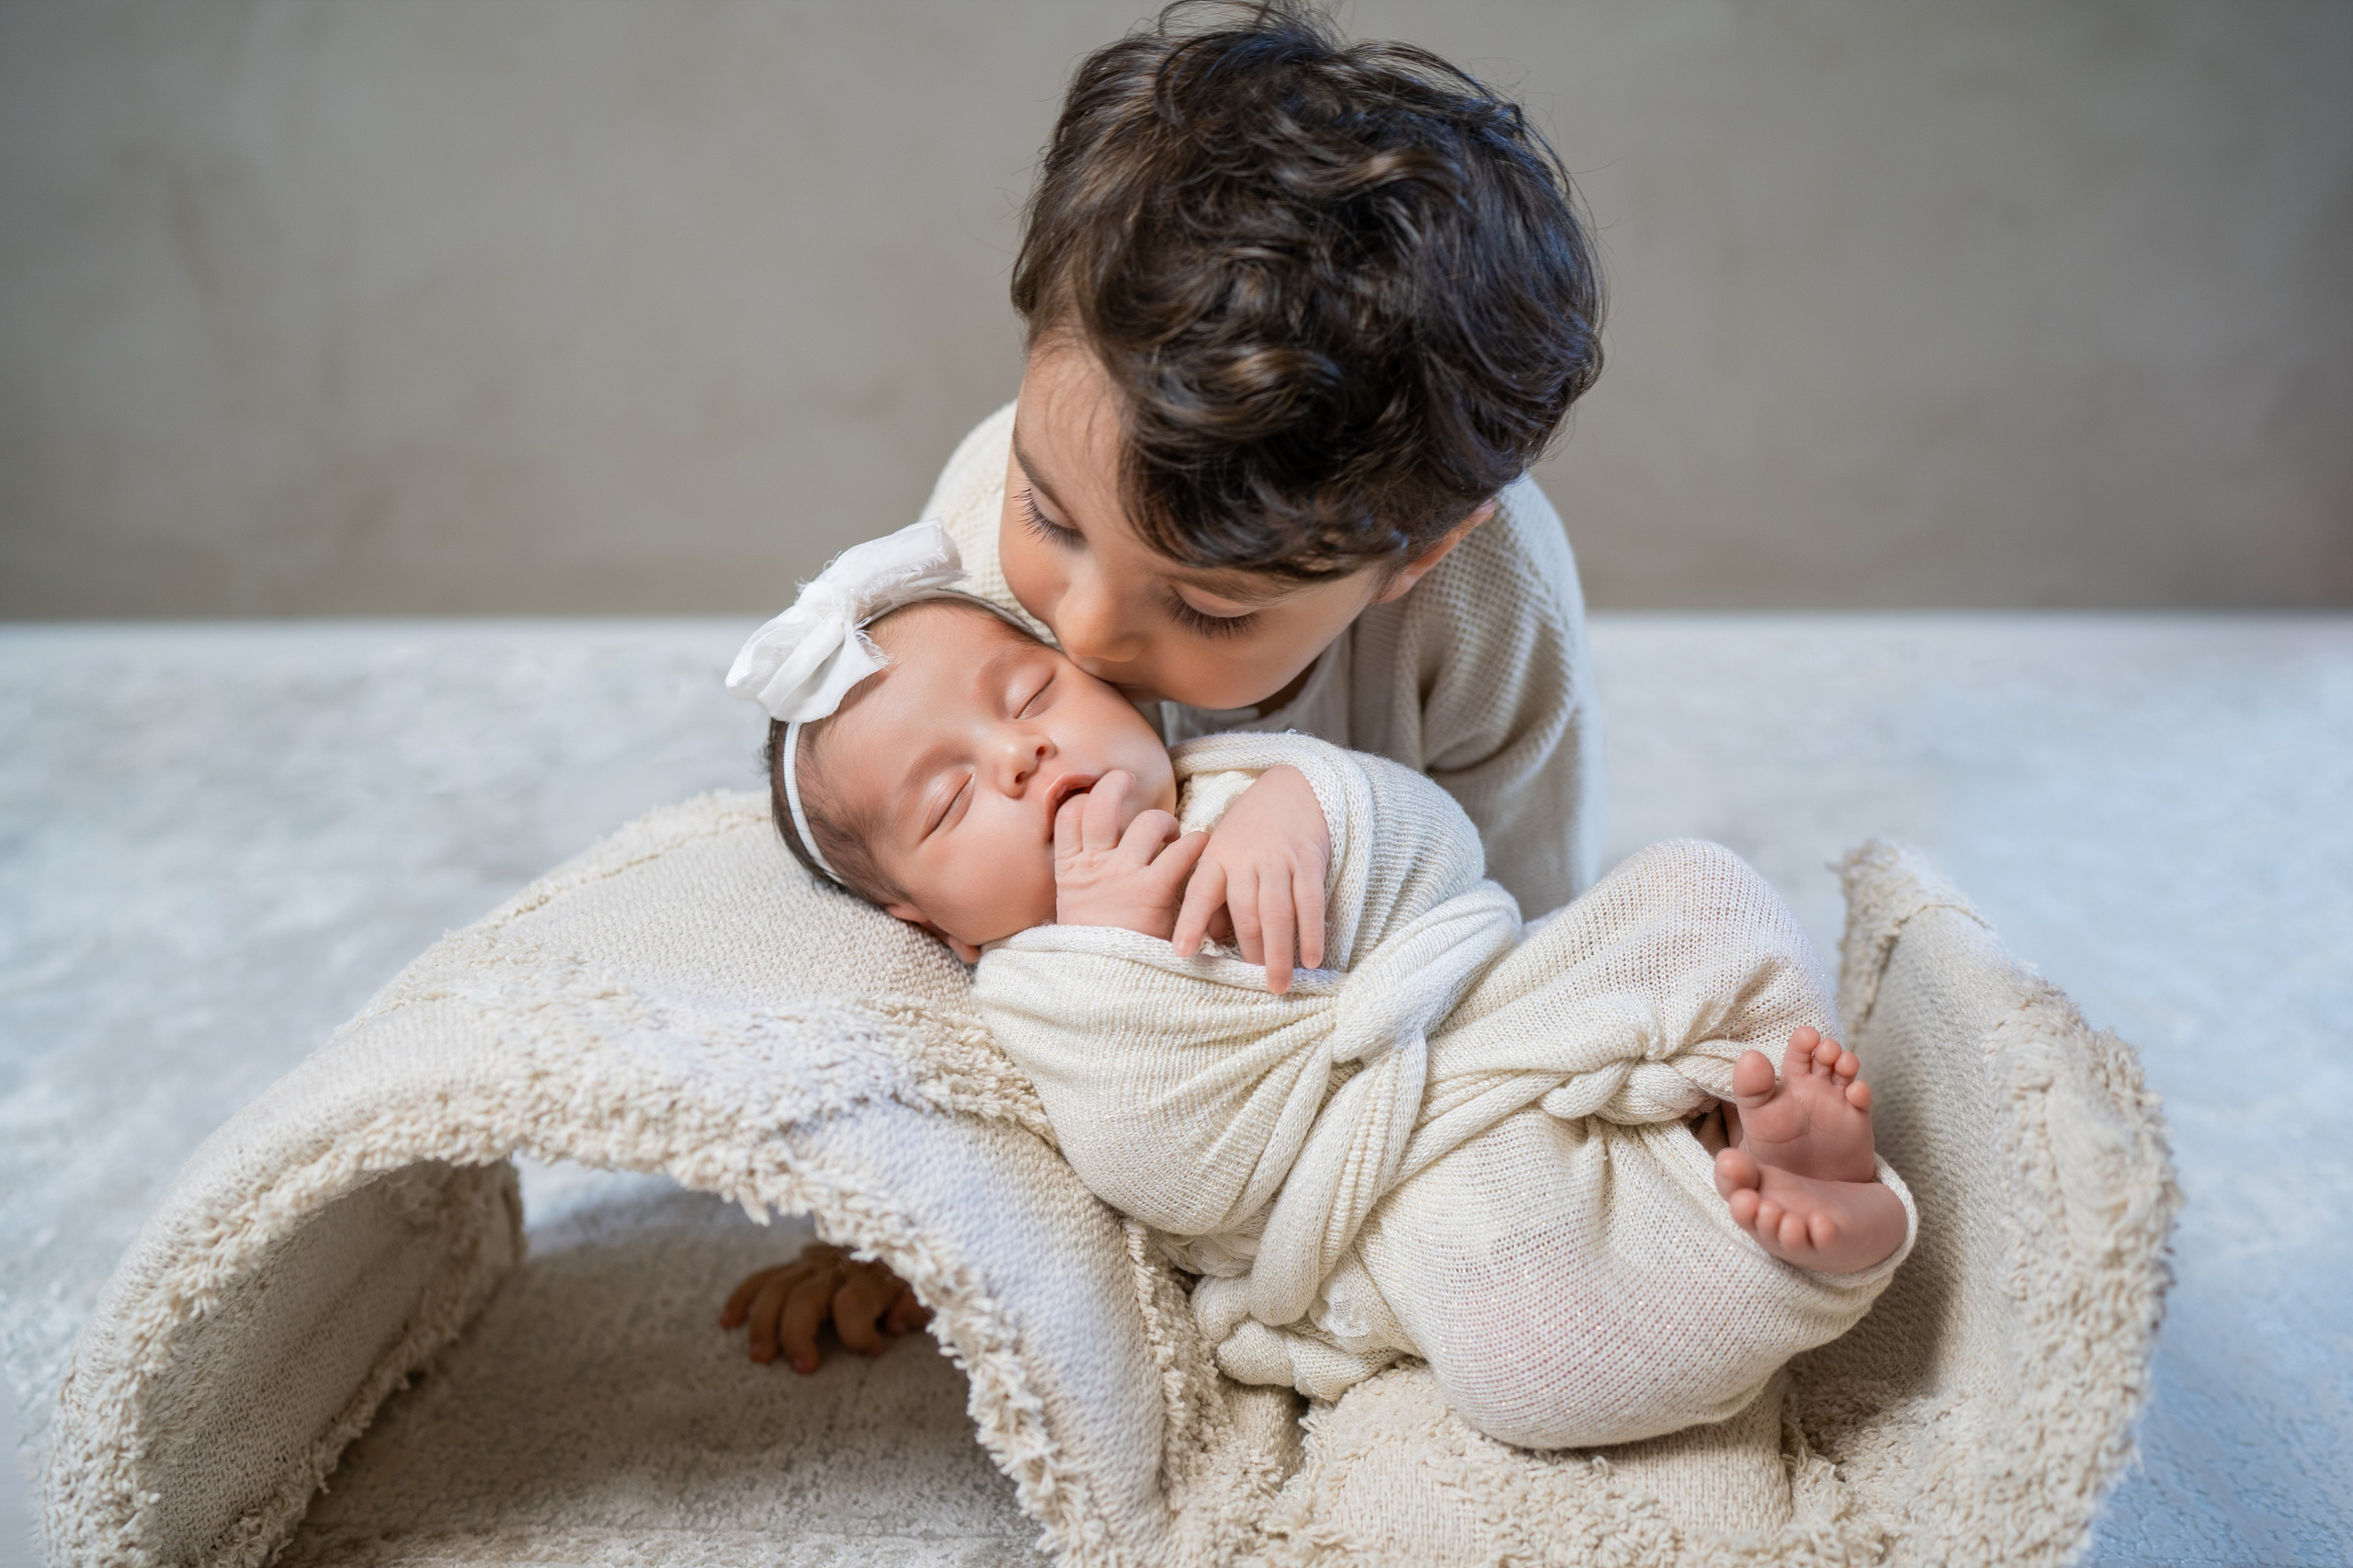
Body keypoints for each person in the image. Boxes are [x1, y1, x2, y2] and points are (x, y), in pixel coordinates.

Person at [723, 0, 1609, 1372]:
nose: (1080, 631)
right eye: (1053, 513)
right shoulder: (969, 544)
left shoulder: (1489, 606)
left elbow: (1533, 917)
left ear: (1413, 553)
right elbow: (909, 935)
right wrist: (893, 1211)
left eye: (1206, 605)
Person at [722, 571, 1910, 1442]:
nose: (1022, 756)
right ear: (933, 921)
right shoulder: (1038, 988)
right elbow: (1177, 1173)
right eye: (949, 800)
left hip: (1506, 1007)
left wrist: (1312, 804)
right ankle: (1803, 1237)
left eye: (1029, 692)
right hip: (1397, 1198)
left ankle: (1744, 1109)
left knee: (1698, 892)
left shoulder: (1243, 772)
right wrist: (1119, 955)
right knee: (1530, 1367)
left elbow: (1451, 867)